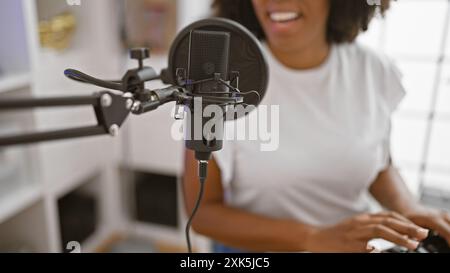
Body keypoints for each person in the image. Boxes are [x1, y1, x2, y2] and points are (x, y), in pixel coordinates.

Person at [182, 0, 450, 253]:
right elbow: (202, 213)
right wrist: (313, 237)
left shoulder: (373, 69)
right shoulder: (213, 84)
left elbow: (379, 163)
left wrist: (409, 209)